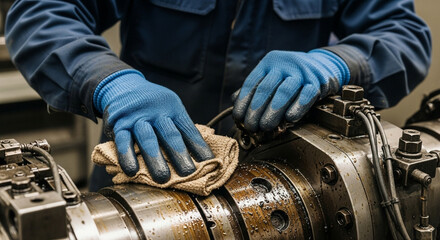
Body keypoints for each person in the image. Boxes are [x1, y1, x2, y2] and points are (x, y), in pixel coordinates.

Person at [5, 0, 431, 191]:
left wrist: (338, 63)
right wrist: (110, 82)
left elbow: (404, 35)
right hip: (145, 173)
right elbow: (43, 11)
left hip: (288, 185)